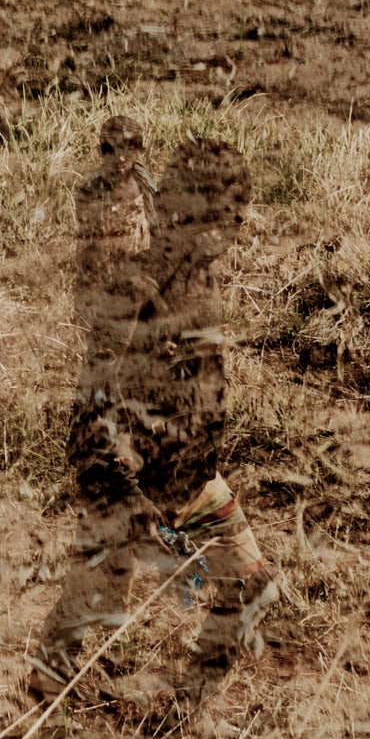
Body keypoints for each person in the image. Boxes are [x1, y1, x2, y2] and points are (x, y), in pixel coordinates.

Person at [41, 120, 268, 703]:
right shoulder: (134, 289)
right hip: (129, 478)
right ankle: (43, 706)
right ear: (180, 210)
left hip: (188, 472)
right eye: (222, 211)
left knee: (250, 586)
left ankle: (191, 708)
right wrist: (124, 498)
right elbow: (93, 406)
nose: (235, 227)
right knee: (92, 601)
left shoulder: (201, 281)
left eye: (238, 212)